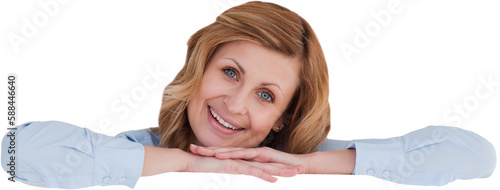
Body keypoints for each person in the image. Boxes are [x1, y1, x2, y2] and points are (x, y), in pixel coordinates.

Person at [2, 1, 496, 189]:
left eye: (266, 95)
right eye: (230, 72)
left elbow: (479, 156)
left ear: (283, 116)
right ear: (199, 70)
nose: (235, 105)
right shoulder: (133, 153)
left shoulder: (307, 161)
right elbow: (14, 151)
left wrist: (312, 165)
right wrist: (190, 164)